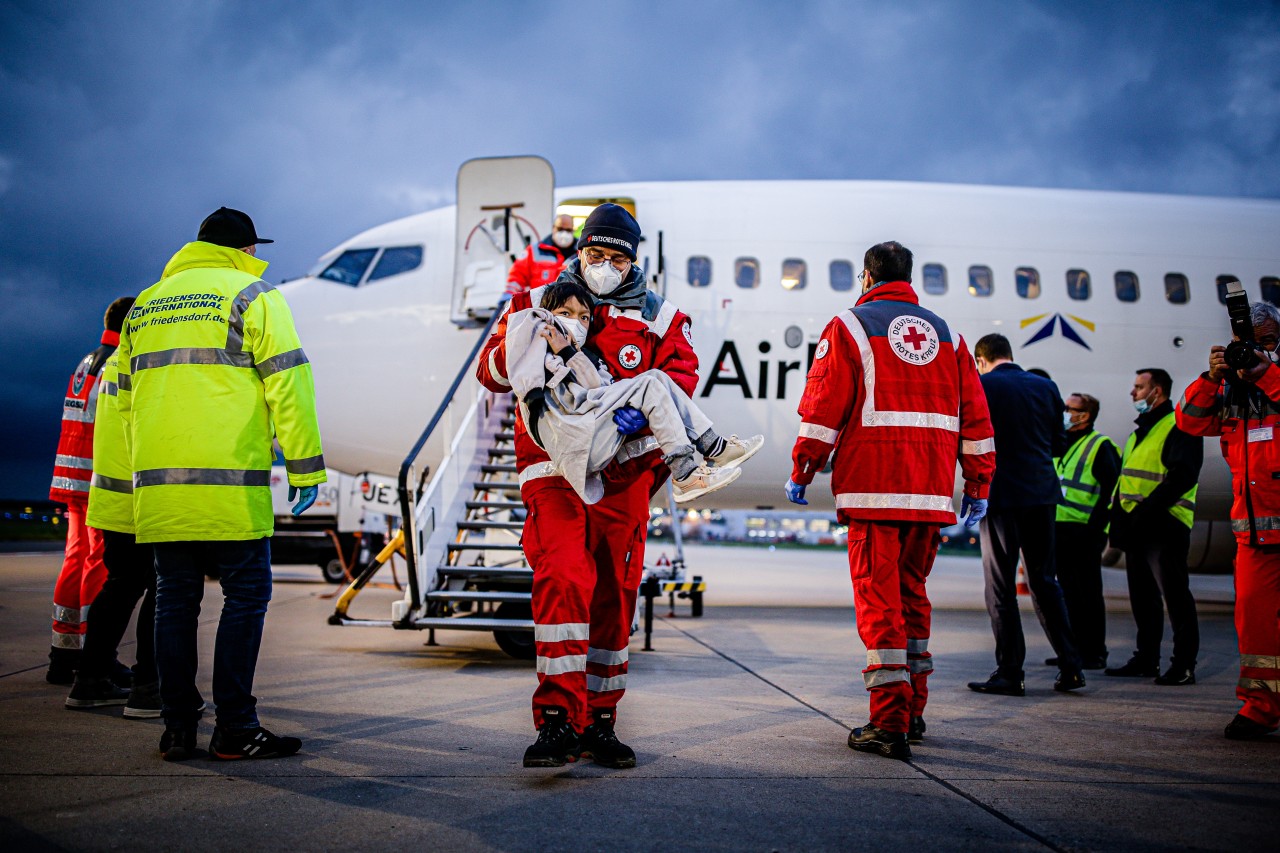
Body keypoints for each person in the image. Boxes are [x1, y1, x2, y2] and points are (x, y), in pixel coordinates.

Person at [478, 203, 698, 769]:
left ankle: (600, 720)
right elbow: (491, 372)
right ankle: (556, 720)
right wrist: (525, 338)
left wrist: (643, 418)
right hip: (553, 472)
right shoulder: (536, 303)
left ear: (633, 261)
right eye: (594, 255)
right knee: (563, 578)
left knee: (613, 598)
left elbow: (681, 381)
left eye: (615, 257)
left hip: (622, 476)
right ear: (579, 253)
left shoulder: (661, 318)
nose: (603, 266)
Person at [117, 207, 326, 761]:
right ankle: (235, 726)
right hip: (229, 486)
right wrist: (306, 468)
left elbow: (122, 401)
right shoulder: (252, 296)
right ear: (245, 250)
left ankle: (177, 728)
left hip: (161, 489)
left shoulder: (145, 305)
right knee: (246, 596)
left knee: (173, 604)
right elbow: (289, 382)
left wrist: (129, 485)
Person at [785, 241, 996, 760]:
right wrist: (978, 483)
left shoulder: (850, 326)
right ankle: (914, 710)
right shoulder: (949, 336)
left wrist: (804, 468)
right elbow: (976, 416)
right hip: (928, 493)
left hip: (873, 488)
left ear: (866, 277)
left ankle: (890, 722)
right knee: (912, 601)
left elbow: (822, 406)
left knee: (879, 606)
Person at [504, 280, 762, 505]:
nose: (577, 322)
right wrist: (535, 392)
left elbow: (595, 388)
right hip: (567, 435)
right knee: (649, 384)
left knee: (655, 377)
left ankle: (713, 447)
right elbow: (523, 371)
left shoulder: (578, 354)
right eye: (566, 312)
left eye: (584, 317)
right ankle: (685, 474)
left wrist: (571, 352)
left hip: (587, 431)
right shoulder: (538, 336)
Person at [1177, 299, 1280, 738]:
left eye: (1269, 342)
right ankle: (1259, 707)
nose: (1257, 352)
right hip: (1255, 535)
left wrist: (1268, 374)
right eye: (1249, 344)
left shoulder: (1273, 381)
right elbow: (1189, 422)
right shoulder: (1232, 393)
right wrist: (1211, 377)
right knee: (1255, 629)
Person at [969, 333, 1086, 697]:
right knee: (1045, 582)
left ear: (981, 359)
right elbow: (1058, 444)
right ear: (1010, 353)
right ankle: (1072, 667)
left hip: (1002, 496)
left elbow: (973, 440)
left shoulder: (981, 385)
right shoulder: (1046, 386)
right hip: (1042, 495)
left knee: (1000, 587)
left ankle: (1009, 672)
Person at [65, 295, 164, 717]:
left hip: (112, 493)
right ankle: (148, 686)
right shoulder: (147, 361)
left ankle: (90, 679)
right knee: (164, 589)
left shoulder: (111, 363)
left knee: (121, 585)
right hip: (146, 494)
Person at [45, 299, 131, 685]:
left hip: (70, 476)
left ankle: (63, 653)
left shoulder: (87, 361)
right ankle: (91, 657)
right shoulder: (116, 362)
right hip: (95, 477)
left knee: (75, 558)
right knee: (99, 563)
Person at [1106, 367, 1202, 686]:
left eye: (1138, 388)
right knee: (1143, 598)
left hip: (1165, 525)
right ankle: (1147, 658)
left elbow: (1183, 475)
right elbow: (1128, 480)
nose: (1133, 394)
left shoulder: (1180, 424)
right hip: (1139, 526)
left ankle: (1183, 665)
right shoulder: (1139, 432)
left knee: (1175, 598)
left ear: (1156, 391)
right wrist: (1120, 519)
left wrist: (1145, 511)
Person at [1052, 393, 1120, 670]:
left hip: (1085, 531)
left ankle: (1094, 652)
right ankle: (1072, 651)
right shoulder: (1061, 441)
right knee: (1067, 593)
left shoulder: (1100, 446)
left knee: (1088, 594)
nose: (1065, 412)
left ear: (1085, 415)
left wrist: (1096, 530)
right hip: (1059, 528)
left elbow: (1111, 493)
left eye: (1071, 409)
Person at [504, 213, 577, 298]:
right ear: (553, 228)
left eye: (568, 230)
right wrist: (509, 294)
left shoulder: (581, 253)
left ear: (573, 230)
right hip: (539, 306)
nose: (564, 233)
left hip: (571, 307)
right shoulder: (534, 251)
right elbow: (517, 276)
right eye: (560, 229)